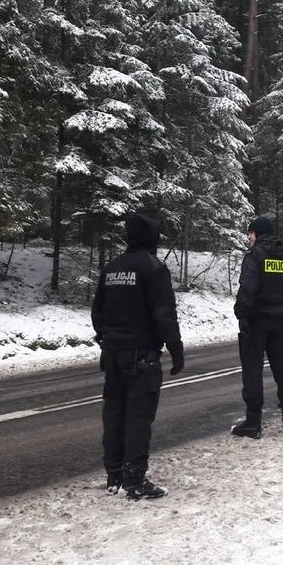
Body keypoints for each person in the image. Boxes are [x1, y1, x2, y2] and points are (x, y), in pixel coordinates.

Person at [92, 213, 185, 501]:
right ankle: (134, 479)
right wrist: (175, 347)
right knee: (138, 416)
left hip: (113, 352)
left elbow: (98, 313)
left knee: (114, 413)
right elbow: (163, 313)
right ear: (152, 238)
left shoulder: (112, 269)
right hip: (141, 355)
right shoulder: (153, 269)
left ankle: (114, 474)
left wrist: (109, 338)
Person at [231, 217, 283, 438]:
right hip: (280, 322)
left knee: (253, 370)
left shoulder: (256, 255)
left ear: (258, 233)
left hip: (256, 322)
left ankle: (253, 422)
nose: (248, 238)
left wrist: (241, 314)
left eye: (250, 233)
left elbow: (248, 287)